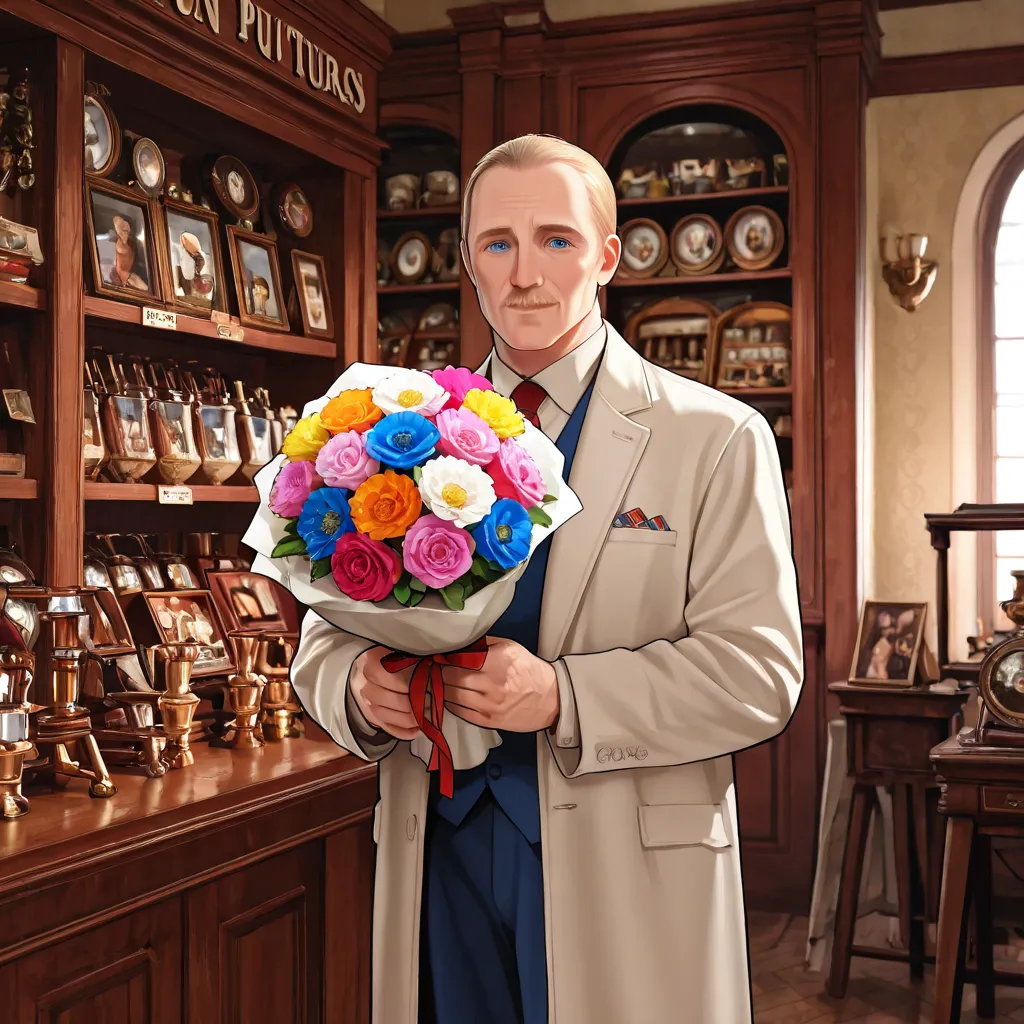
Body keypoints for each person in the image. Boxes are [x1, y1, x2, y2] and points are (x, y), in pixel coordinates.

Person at [290, 134, 803, 1023]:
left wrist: (563, 696)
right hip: (436, 849)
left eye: (556, 240)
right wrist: (354, 684)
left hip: (624, 866)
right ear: (467, 262)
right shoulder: (386, 434)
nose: (526, 273)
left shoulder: (716, 438)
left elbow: (759, 676)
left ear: (606, 256)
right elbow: (322, 637)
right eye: (498, 243)